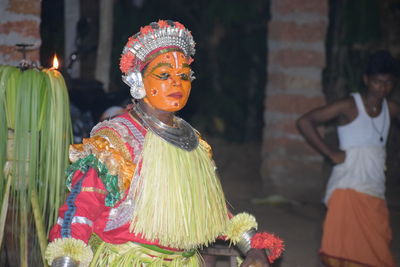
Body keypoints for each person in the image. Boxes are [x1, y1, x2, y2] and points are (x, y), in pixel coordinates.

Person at [44, 20, 283, 267]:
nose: (176, 83)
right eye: (164, 75)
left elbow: (208, 206)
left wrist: (252, 245)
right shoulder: (116, 138)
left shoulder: (192, 141)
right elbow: (81, 206)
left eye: (183, 76)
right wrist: (66, 260)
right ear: (138, 80)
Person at [297, 50, 399, 267]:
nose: (382, 88)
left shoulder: (391, 109)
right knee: (341, 247)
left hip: (374, 186)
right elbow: (306, 121)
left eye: (388, 83)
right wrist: (330, 152)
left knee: (376, 246)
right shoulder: (350, 105)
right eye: (377, 82)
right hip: (348, 185)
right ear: (366, 80)